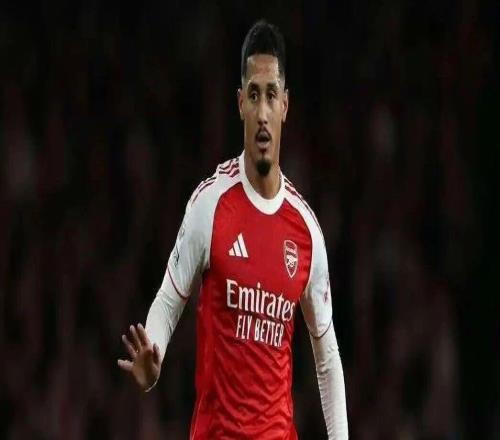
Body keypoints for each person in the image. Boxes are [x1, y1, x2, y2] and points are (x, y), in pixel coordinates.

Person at [118, 19, 348, 439]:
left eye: (272, 95)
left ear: (285, 106)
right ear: (240, 103)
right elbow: (168, 300)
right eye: (254, 95)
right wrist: (153, 359)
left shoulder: (306, 231)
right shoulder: (210, 204)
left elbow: (327, 356)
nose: (262, 112)